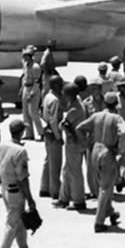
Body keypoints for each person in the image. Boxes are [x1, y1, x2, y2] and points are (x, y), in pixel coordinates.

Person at [0, 119, 37, 248]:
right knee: (11, 225)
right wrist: (30, 198)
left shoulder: (3, 146)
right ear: (21, 132)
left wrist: (0, 182)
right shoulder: (20, 151)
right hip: (16, 192)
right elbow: (23, 178)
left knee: (19, 221)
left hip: (5, 189)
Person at [77, 92, 125, 233]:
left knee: (103, 185)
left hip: (95, 150)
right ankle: (99, 222)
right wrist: (120, 149)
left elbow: (79, 128)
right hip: (108, 152)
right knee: (106, 188)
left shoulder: (96, 116)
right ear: (116, 104)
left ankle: (111, 212)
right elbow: (124, 133)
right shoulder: (117, 118)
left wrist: (85, 143)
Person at [55, 82, 87, 211]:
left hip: (74, 143)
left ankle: (79, 201)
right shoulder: (77, 103)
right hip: (74, 142)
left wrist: (62, 123)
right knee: (67, 170)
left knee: (75, 172)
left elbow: (62, 125)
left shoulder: (74, 110)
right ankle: (64, 198)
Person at [39, 75, 64, 198]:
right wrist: (58, 136)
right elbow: (53, 120)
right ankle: (55, 190)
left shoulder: (47, 96)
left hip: (47, 132)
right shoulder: (55, 100)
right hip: (53, 133)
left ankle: (44, 187)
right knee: (55, 163)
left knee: (48, 160)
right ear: (56, 86)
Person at [20, 46, 43, 140]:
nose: (24, 58)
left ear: (30, 56)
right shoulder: (26, 65)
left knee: (33, 112)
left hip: (33, 89)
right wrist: (22, 89)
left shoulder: (36, 67)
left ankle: (41, 133)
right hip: (26, 88)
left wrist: (31, 93)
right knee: (25, 112)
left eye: (25, 56)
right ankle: (29, 134)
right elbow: (24, 77)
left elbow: (37, 82)